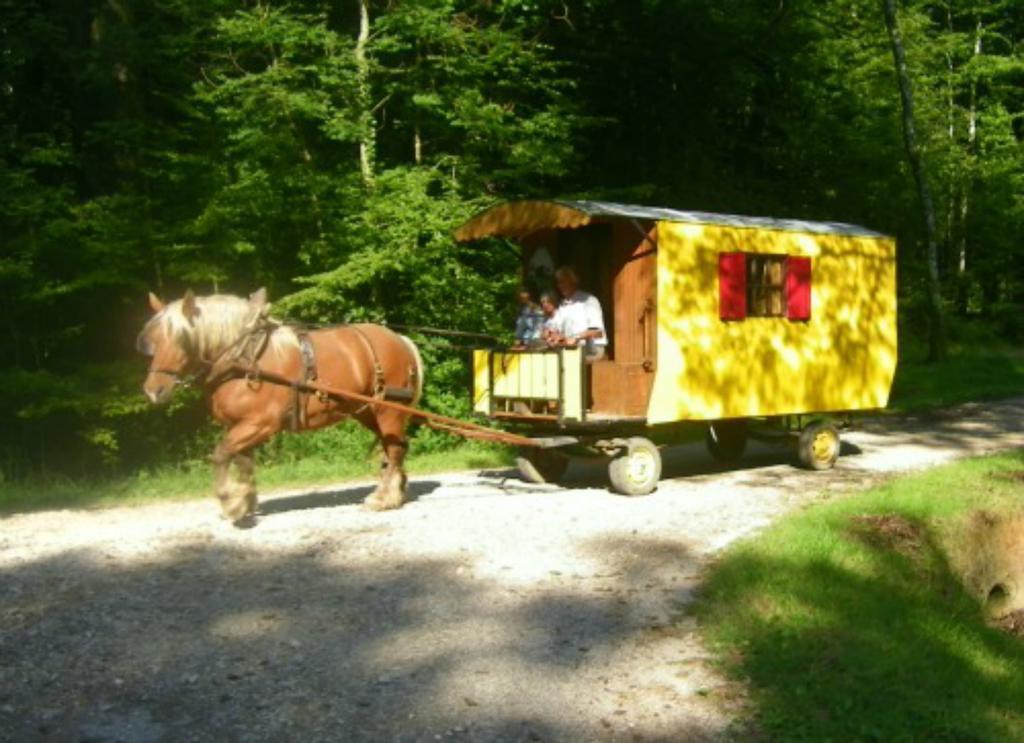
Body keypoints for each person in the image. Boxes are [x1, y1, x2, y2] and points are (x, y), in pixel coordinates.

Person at [551, 266, 607, 360]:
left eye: (564, 281)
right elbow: (555, 327)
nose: (561, 286)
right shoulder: (563, 305)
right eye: (559, 282)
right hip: (570, 349)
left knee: (567, 361)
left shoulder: (589, 300)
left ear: (573, 281)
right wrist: (552, 335)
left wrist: (575, 338)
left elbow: (597, 332)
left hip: (592, 349)